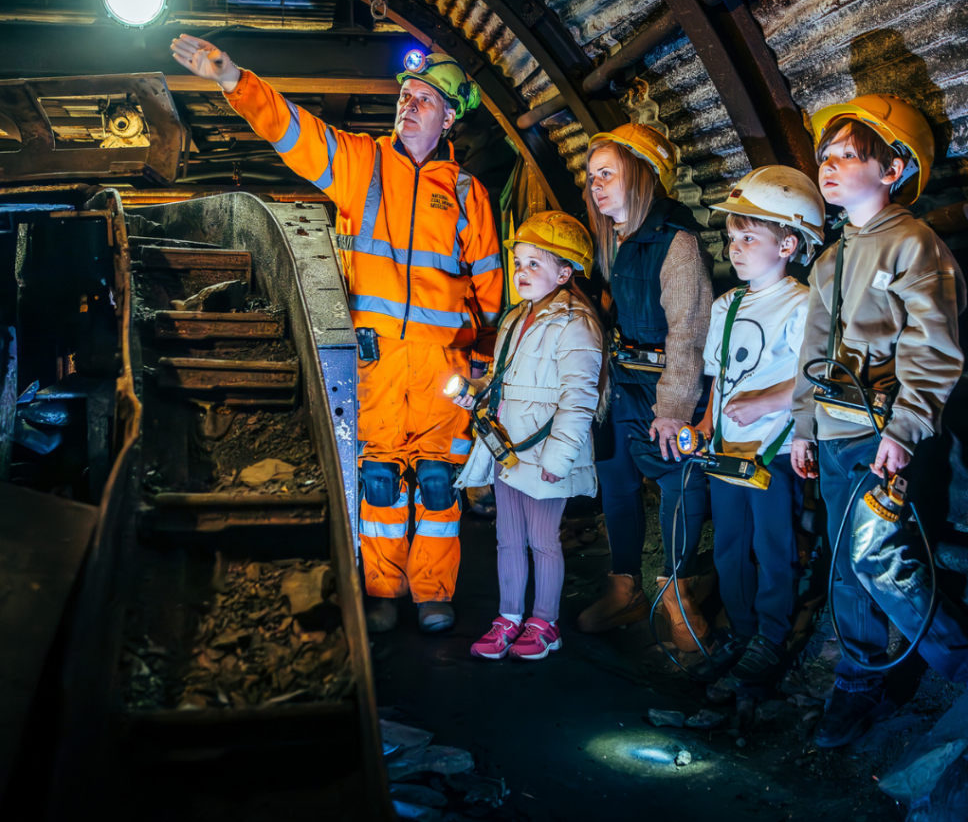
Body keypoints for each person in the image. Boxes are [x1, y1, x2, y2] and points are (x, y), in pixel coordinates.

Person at [170, 36, 503, 634]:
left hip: (441, 373)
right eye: (405, 96)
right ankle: (380, 590)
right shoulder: (362, 163)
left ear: (449, 117)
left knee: (436, 484)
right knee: (377, 478)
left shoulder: (466, 195)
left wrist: (482, 360)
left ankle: (432, 594)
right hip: (376, 363)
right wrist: (233, 78)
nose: (409, 106)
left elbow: (490, 288)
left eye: (424, 99)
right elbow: (296, 131)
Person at [790, 94, 968, 748]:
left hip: (883, 433)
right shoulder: (830, 260)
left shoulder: (914, 246)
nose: (829, 167)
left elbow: (935, 351)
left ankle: (960, 667)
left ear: (893, 168)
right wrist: (803, 428)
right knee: (846, 565)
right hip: (835, 436)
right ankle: (858, 688)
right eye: (825, 157)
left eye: (846, 156)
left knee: (879, 559)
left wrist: (902, 432)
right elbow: (813, 353)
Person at [576, 123, 714, 651]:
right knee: (617, 480)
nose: (596, 185)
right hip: (627, 383)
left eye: (606, 173)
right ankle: (624, 586)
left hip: (665, 386)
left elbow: (690, 329)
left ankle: (676, 595)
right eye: (592, 177)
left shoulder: (675, 241)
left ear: (642, 173)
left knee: (681, 485)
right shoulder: (616, 242)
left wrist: (674, 408)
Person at [688, 167, 824, 693]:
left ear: (788, 244)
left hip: (773, 453)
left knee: (774, 548)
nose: (736, 248)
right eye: (731, 238)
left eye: (749, 237)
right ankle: (740, 634)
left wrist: (763, 403)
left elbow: (814, 380)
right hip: (726, 451)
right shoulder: (728, 305)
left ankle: (770, 636)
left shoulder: (801, 303)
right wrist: (705, 424)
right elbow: (721, 379)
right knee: (728, 547)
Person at [451, 212, 603, 660]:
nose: (521, 272)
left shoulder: (577, 324)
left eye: (535, 264)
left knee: (542, 540)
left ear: (565, 272)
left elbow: (579, 399)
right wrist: (474, 392)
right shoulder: (517, 318)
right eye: (519, 262)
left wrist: (558, 460)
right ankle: (510, 617)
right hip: (508, 449)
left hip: (544, 455)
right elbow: (500, 378)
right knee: (507, 539)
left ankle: (545, 622)